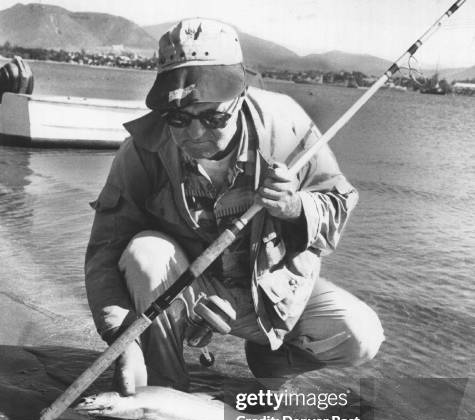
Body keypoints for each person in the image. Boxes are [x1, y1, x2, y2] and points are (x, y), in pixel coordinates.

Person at [85, 18, 384, 396]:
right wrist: (122, 341)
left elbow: (338, 204)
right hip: (186, 291)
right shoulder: (141, 152)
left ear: (240, 97)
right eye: (178, 117)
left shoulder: (287, 127)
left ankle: (273, 361)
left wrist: (294, 207)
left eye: (213, 117)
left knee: (361, 335)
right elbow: (103, 252)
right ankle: (164, 384)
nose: (195, 133)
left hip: (274, 296)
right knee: (146, 253)